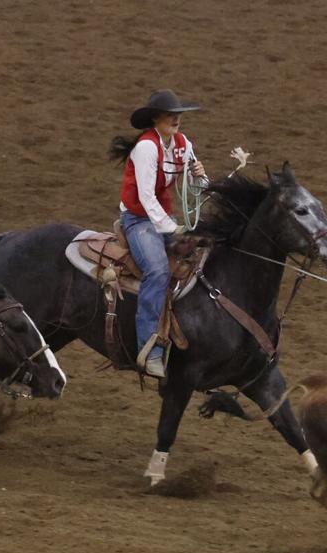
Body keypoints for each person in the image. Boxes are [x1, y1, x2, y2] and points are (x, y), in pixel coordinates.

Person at [111, 89, 207, 378]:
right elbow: (146, 197)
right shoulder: (146, 148)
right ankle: (149, 348)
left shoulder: (183, 144)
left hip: (164, 219)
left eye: (178, 115)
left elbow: (196, 187)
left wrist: (200, 175)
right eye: (170, 115)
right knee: (157, 271)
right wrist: (171, 228)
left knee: (200, 256)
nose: (176, 119)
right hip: (138, 220)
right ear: (156, 119)